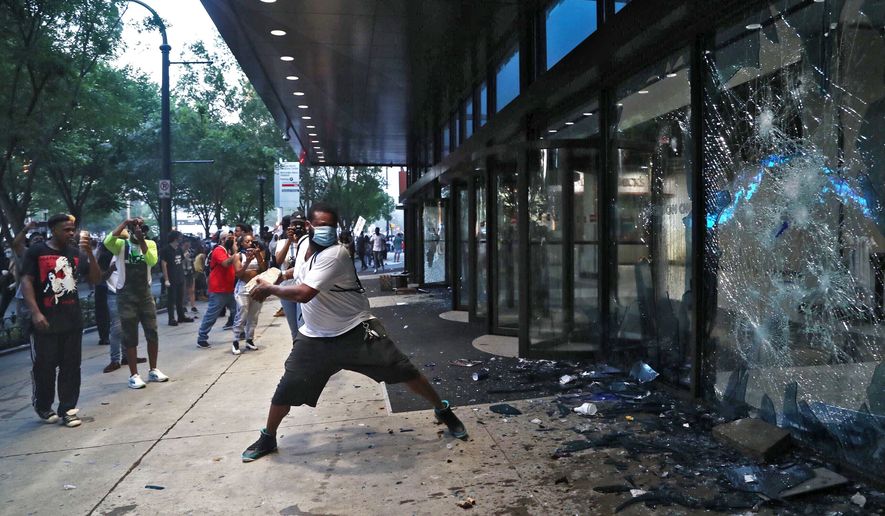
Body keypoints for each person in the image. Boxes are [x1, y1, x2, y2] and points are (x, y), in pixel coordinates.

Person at [241, 203, 467, 462]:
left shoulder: (337, 254)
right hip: (315, 337)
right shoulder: (304, 245)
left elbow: (304, 294)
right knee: (286, 388)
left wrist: (270, 289)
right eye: (321, 225)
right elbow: (302, 272)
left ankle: (442, 409)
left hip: (356, 330)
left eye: (331, 226)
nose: (327, 230)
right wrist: (281, 276)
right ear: (309, 227)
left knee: (404, 370)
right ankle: (268, 437)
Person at [21, 214, 101, 427]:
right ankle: (43, 405)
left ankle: (67, 408)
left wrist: (90, 255)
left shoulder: (76, 254)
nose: (71, 233)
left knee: (71, 367)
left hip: (72, 321)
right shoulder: (37, 252)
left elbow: (95, 279)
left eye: (72, 229)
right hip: (45, 322)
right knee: (45, 367)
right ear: (54, 230)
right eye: (66, 229)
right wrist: (36, 312)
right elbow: (26, 281)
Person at [105, 218, 170, 389]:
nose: (141, 229)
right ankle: (134, 374)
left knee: (152, 332)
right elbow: (107, 241)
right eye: (137, 226)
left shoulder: (150, 243)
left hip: (145, 295)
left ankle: (153, 369)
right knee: (130, 335)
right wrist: (125, 223)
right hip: (126, 296)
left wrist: (142, 241)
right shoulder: (120, 244)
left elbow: (151, 261)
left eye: (142, 226)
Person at [196, 232, 238, 349]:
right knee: (212, 314)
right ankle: (202, 338)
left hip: (228, 288)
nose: (231, 240)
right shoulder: (219, 250)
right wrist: (235, 253)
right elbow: (225, 263)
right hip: (219, 289)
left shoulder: (226, 251)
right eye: (229, 238)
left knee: (237, 311)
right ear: (222, 240)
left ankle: (240, 332)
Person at [275, 212, 310, 340]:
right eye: (294, 224)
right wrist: (289, 241)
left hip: (304, 289)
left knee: (304, 326)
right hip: (286, 290)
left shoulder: (309, 242)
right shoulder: (283, 242)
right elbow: (279, 261)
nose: (297, 227)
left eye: (300, 225)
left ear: (306, 225)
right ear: (289, 226)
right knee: (294, 329)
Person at [232, 234, 267, 354]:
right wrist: (247, 261)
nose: (250, 243)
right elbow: (239, 274)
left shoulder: (259, 253)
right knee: (242, 312)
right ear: (242, 243)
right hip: (243, 288)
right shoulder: (238, 256)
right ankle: (236, 340)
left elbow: (263, 269)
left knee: (254, 315)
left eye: (252, 241)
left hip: (256, 287)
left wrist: (258, 256)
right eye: (247, 241)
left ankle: (250, 339)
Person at [161, 230, 192, 326]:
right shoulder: (165, 250)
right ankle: (171, 318)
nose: (181, 239)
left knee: (180, 298)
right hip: (171, 278)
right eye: (179, 237)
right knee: (171, 299)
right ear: (175, 238)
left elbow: (181, 260)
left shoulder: (178, 249)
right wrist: (166, 279)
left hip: (180, 276)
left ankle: (181, 316)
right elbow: (164, 264)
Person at [181, 238, 198, 315]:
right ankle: (183, 306)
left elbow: (193, 260)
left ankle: (193, 306)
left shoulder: (191, 251)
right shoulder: (180, 251)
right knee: (184, 290)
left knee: (191, 290)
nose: (188, 246)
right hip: (183, 272)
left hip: (190, 272)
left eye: (189, 244)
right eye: (186, 244)